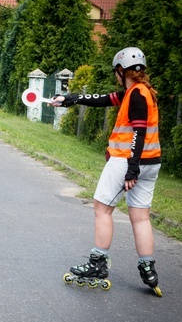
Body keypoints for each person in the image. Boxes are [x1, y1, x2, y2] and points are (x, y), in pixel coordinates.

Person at [52, 47, 162, 297]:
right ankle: (148, 268)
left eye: (116, 72)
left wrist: (132, 168)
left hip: (128, 161)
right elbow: (104, 99)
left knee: (102, 208)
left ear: (122, 70)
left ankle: (97, 264)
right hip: (151, 163)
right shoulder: (140, 92)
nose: (116, 76)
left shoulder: (136, 96)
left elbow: (138, 132)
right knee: (141, 216)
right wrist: (74, 99)